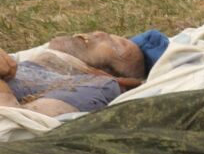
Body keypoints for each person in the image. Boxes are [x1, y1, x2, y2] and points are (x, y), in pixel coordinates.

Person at [0, 31, 147, 116]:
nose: (100, 33)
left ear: (121, 80)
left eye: (116, 45)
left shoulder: (97, 88)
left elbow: (14, 120)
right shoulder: (34, 64)